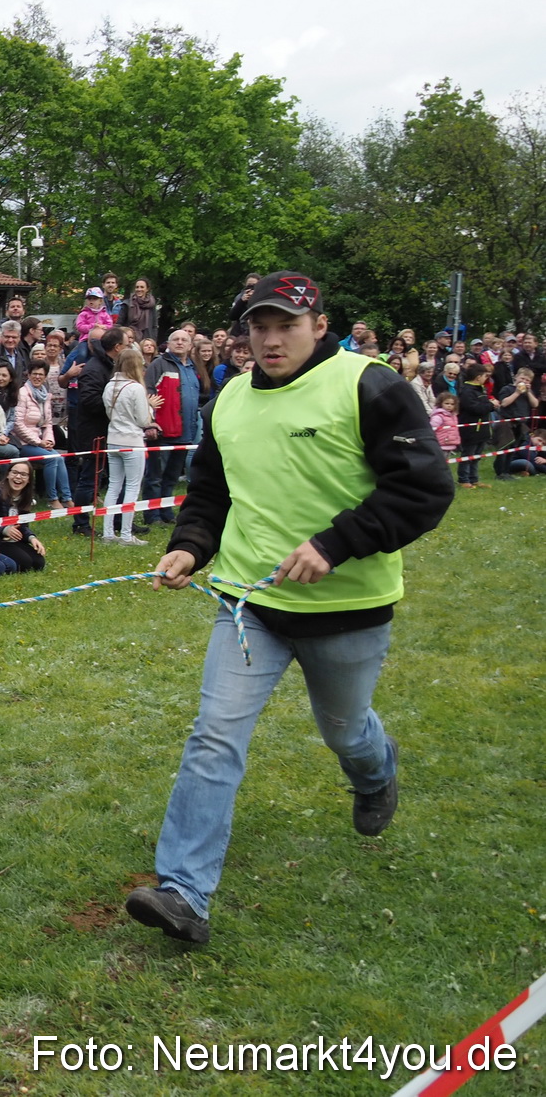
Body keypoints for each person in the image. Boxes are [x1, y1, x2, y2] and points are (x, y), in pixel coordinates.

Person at [127, 270, 454, 947]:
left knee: (345, 730)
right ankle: (183, 891)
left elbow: (424, 488)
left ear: (319, 325)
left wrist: (335, 544)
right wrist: (190, 547)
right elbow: (210, 492)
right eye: (259, 327)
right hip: (251, 605)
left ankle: (375, 767)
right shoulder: (230, 400)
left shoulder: (369, 386)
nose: (271, 340)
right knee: (213, 735)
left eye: (287, 325)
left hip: (349, 609)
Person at [68, 326, 127, 537]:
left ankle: (119, 520)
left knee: (117, 479)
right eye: (126, 344)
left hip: (112, 431)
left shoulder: (112, 366)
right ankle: (81, 523)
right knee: (89, 479)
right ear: (117, 347)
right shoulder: (94, 368)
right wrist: (118, 404)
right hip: (95, 433)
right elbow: (90, 401)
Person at [141, 328, 200, 522]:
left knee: (172, 477)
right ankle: (152, 514)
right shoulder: (159, 364)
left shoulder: (192, 368)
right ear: (168, 343)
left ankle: (166, 512)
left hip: (185, 431)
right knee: (155, 477)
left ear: (190, 345)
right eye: (176, 339)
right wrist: (151, 422)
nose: (180, 343)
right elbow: (147, 392)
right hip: (162, 431)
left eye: (184, 340)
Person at [102, 345, 159, 545]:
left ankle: (108, 532)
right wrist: (151, 408)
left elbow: (110, 414)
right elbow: (144, 420)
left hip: (113, 439)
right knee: (132, 487)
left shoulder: (109, 385)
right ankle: (126, 534)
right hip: (132, 440)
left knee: (113, 486)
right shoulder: (136, 387)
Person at [13, 359, 69, 510]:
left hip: (39, 440)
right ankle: (52, 498)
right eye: (34, 374)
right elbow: (17, 425)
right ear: (29, 375)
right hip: (22, 442)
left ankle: (67, 497)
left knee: (60, 458)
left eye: (41, 375)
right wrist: (38, 443)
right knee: (51, 459)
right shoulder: (22, 394)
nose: (37, 377)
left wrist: (48, 439)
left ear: (45, 377)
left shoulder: (45, 396)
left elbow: (47, 423)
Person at [0, 462, 46, 571]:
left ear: (29, 479)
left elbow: (23, 526)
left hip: (13, 541)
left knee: (39, 563)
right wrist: (5, 530)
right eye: (15, 472)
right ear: (7, 474)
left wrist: (32, 538)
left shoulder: (25, 498)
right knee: (25, 563)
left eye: (23, 474)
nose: (18, 477)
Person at [117, 278, 158, 342]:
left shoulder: (151, 305)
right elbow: (119, 324)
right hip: (130, 340)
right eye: (137, 287)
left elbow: (154, 326)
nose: (139, 289)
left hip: (147, 340)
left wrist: (153, 340)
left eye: (142, 287)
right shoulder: (127, 304)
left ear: (147, 289)